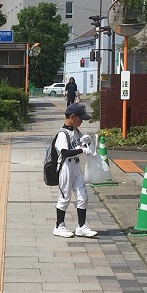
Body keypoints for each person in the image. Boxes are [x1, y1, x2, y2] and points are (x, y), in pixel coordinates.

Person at [53, 102, 98, 238]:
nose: (82, 122)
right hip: (65, 167)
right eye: (80, 118)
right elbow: (65, 153)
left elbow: (86, 147)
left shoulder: (77, 131)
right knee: (64, 198)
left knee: (83, 196)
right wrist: (81, 150)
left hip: (76, 167)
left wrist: (87, 142)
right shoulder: (62, 134)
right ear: (72, 117)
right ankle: (59, 226)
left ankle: (81, 227)